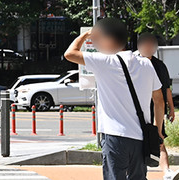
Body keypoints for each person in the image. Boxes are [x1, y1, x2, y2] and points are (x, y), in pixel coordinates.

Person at [64, 18, 165, 180]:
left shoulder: (105, 62)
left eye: (97, 40)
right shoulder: (146, 64)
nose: (95, 44)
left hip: (116, 136)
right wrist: (158, 130)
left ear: (109, 40)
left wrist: (86, 34)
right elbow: (159, 100)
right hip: (141, 137)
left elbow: (69, 53)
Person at [137, 33, 179, 180]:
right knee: (137, 142)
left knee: (159, 138)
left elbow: (166, 89)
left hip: (156, 108)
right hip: (137, 109)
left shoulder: (159, 65)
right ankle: (138, 173)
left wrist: (171, 107)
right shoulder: (132, 62)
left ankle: (167, 172)